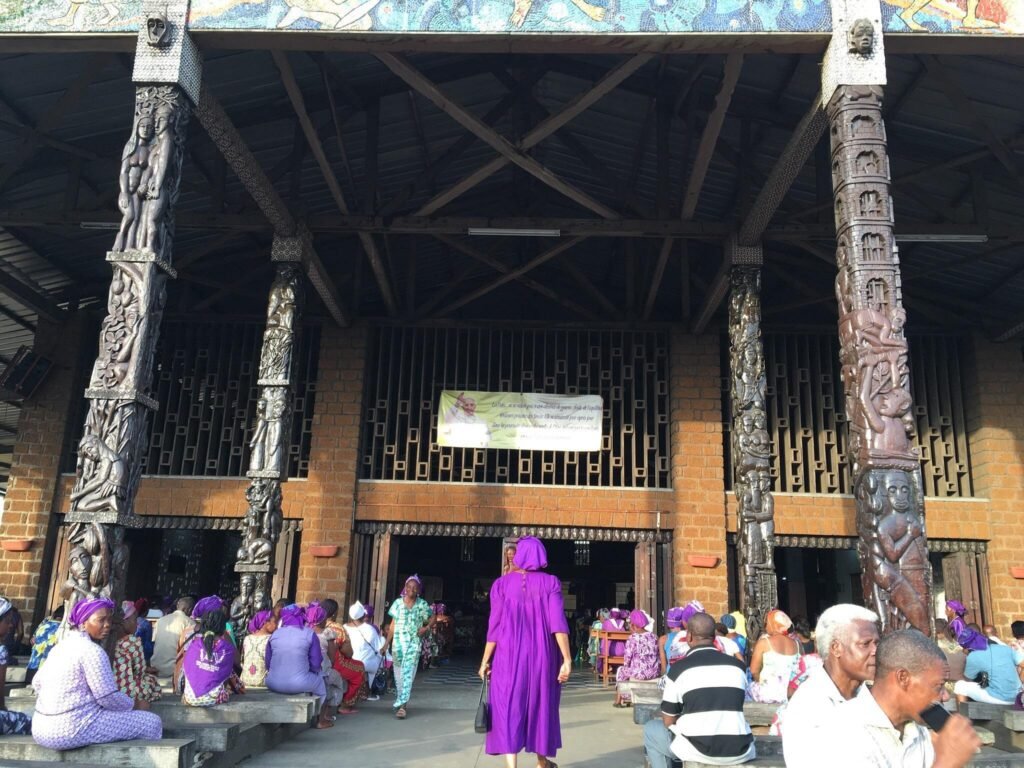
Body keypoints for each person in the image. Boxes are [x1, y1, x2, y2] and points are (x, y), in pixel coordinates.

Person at [818, 629, 981, 767]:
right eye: (938, 686)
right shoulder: (840, 730)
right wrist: (946, 762)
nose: (945, 696)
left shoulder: (918, 730)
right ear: (903, 678)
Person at [479, 537, 571, 768]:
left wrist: (484, 661)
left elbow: (495, 627)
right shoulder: (551, 583)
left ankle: (512, 766)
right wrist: (567, 659)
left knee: (509, 705)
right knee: (541, 704)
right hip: (542, 655)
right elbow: (557, 624)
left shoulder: (501, 585)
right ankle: (542, 763)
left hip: (508, 655)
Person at [32, 597, 163, 749]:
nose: (107, 625)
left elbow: (37, 682)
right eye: (100, 620)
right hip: (69, 729)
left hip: (40, 728)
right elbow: (107, 697)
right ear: (83, 622)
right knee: (152, 722)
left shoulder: (60, 647)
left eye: (109, 620)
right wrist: (135, 705)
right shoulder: (92, 651)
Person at [643, 613, 755, 767]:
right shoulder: (738, 667)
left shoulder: (678, 670)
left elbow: (668, 721)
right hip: (740, 749)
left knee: (651, 730)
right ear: (714, 638)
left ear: (688, 637)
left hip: (699, 749)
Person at [780, 604, 879, 766]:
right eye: (865, 644)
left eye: (876, 643)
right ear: (836, 648)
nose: (875, 650)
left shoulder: (869, 696)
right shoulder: (808, 705)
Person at [266, 604, 334, 728]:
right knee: (321, 684)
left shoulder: (275, 634)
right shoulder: (309, 634)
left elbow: (268, 662)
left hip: (272, 683)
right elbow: (316, 663)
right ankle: (320, 720)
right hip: (299, 684)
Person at [382, 575, 434, 720]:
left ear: (418, 590)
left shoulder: (422, 604)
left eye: (414, 588)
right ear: (405, 588)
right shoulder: (397, 604)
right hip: (398, 645)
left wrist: (426, 628)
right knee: (399, 675)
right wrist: (386, 644)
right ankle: (400, 702)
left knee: (408, 674)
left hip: (413, 644)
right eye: (408, 587)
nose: (411, 590)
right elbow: (392, 625)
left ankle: (403, 706)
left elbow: (432, 617)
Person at [181, 608, 243, 707]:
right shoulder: (226, 648)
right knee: (229, 671)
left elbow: (187, 668)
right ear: (223, 629)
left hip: (189, 698)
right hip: (214, 699)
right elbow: (236, 663)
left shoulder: (195, 644)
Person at [112, 601, 161, 708]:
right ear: (124, 622)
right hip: (127, 691)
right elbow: (140, 672)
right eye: (134, 619)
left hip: (111, 689)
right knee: (152, 681)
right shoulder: (133, 641)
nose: (137, 623)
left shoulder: (110, 640)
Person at [953, 630, 1022, 706]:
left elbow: (968, 678)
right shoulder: (1005, 648)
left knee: (959, 686)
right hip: (1018, 697)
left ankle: (962, 715)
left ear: (967, 647)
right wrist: (1020, 680)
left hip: (999, 698)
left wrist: (968, 655)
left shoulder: (973, 656)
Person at [747, 608, 800, 703]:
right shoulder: (797, 644)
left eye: (767, 623)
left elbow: (754, 671)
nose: (766, 626)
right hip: (793, 694)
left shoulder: (764, 643)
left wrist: (762, 683)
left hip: (769, 695)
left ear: (773, 624)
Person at [306, 602, 349, 716]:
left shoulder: (304, 631)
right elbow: (332, 656)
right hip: (323, 672)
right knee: (338, 680)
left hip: (306, 672)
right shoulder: (328, 633)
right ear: (321, 620)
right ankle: (327, 713)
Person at [615, 609, 660, 708]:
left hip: (639, 673)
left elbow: (627, 659)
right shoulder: (654, 636)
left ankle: (621, 698)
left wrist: (628, 667)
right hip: (654, 672)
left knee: (621, 671)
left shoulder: (633, 638)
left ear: (633, 625)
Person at [0, 598, 32, 736]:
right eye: (7, 621)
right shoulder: (1, 651)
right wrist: (4, 712)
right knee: (30, 722)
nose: (10, 625)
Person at [346, 601, 384, 696]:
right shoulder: (370, 629)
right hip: (367, 664)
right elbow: (379, 648)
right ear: (363, 615)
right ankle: (369, 689)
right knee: (377, 657)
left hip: (348, 663)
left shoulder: (344, 628)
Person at [152, 596, 194, 678]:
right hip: (174, 671)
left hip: (155, 668)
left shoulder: (160, 620)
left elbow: (154, 642)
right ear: (189, 610)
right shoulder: (190, 623)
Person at [26, 605, 64, 683]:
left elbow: (32, 640)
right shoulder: (63, 629)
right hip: (47, 669)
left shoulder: (45, 622)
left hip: (33, 664)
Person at [240, 609, 277, 688]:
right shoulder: (271, 639)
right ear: (266, 623)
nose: (276, 625)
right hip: (263, 683)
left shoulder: (247, 638)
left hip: (244, 681)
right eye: (274, 622)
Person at [934, 618, 967, 693]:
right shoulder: (961, 644)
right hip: (963, 687)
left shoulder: (935, 645)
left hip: (944, 689)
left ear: (936, 632)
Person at [658, 607, 685, 673]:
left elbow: (664, 668)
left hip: (671, 675)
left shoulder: (663, 639)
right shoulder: (689, 636)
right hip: (686, 675)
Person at [133, 598, 155, 664]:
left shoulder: (132, 620)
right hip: (142, 654)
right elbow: (148, 643)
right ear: (146, 611)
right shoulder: (146, 624)